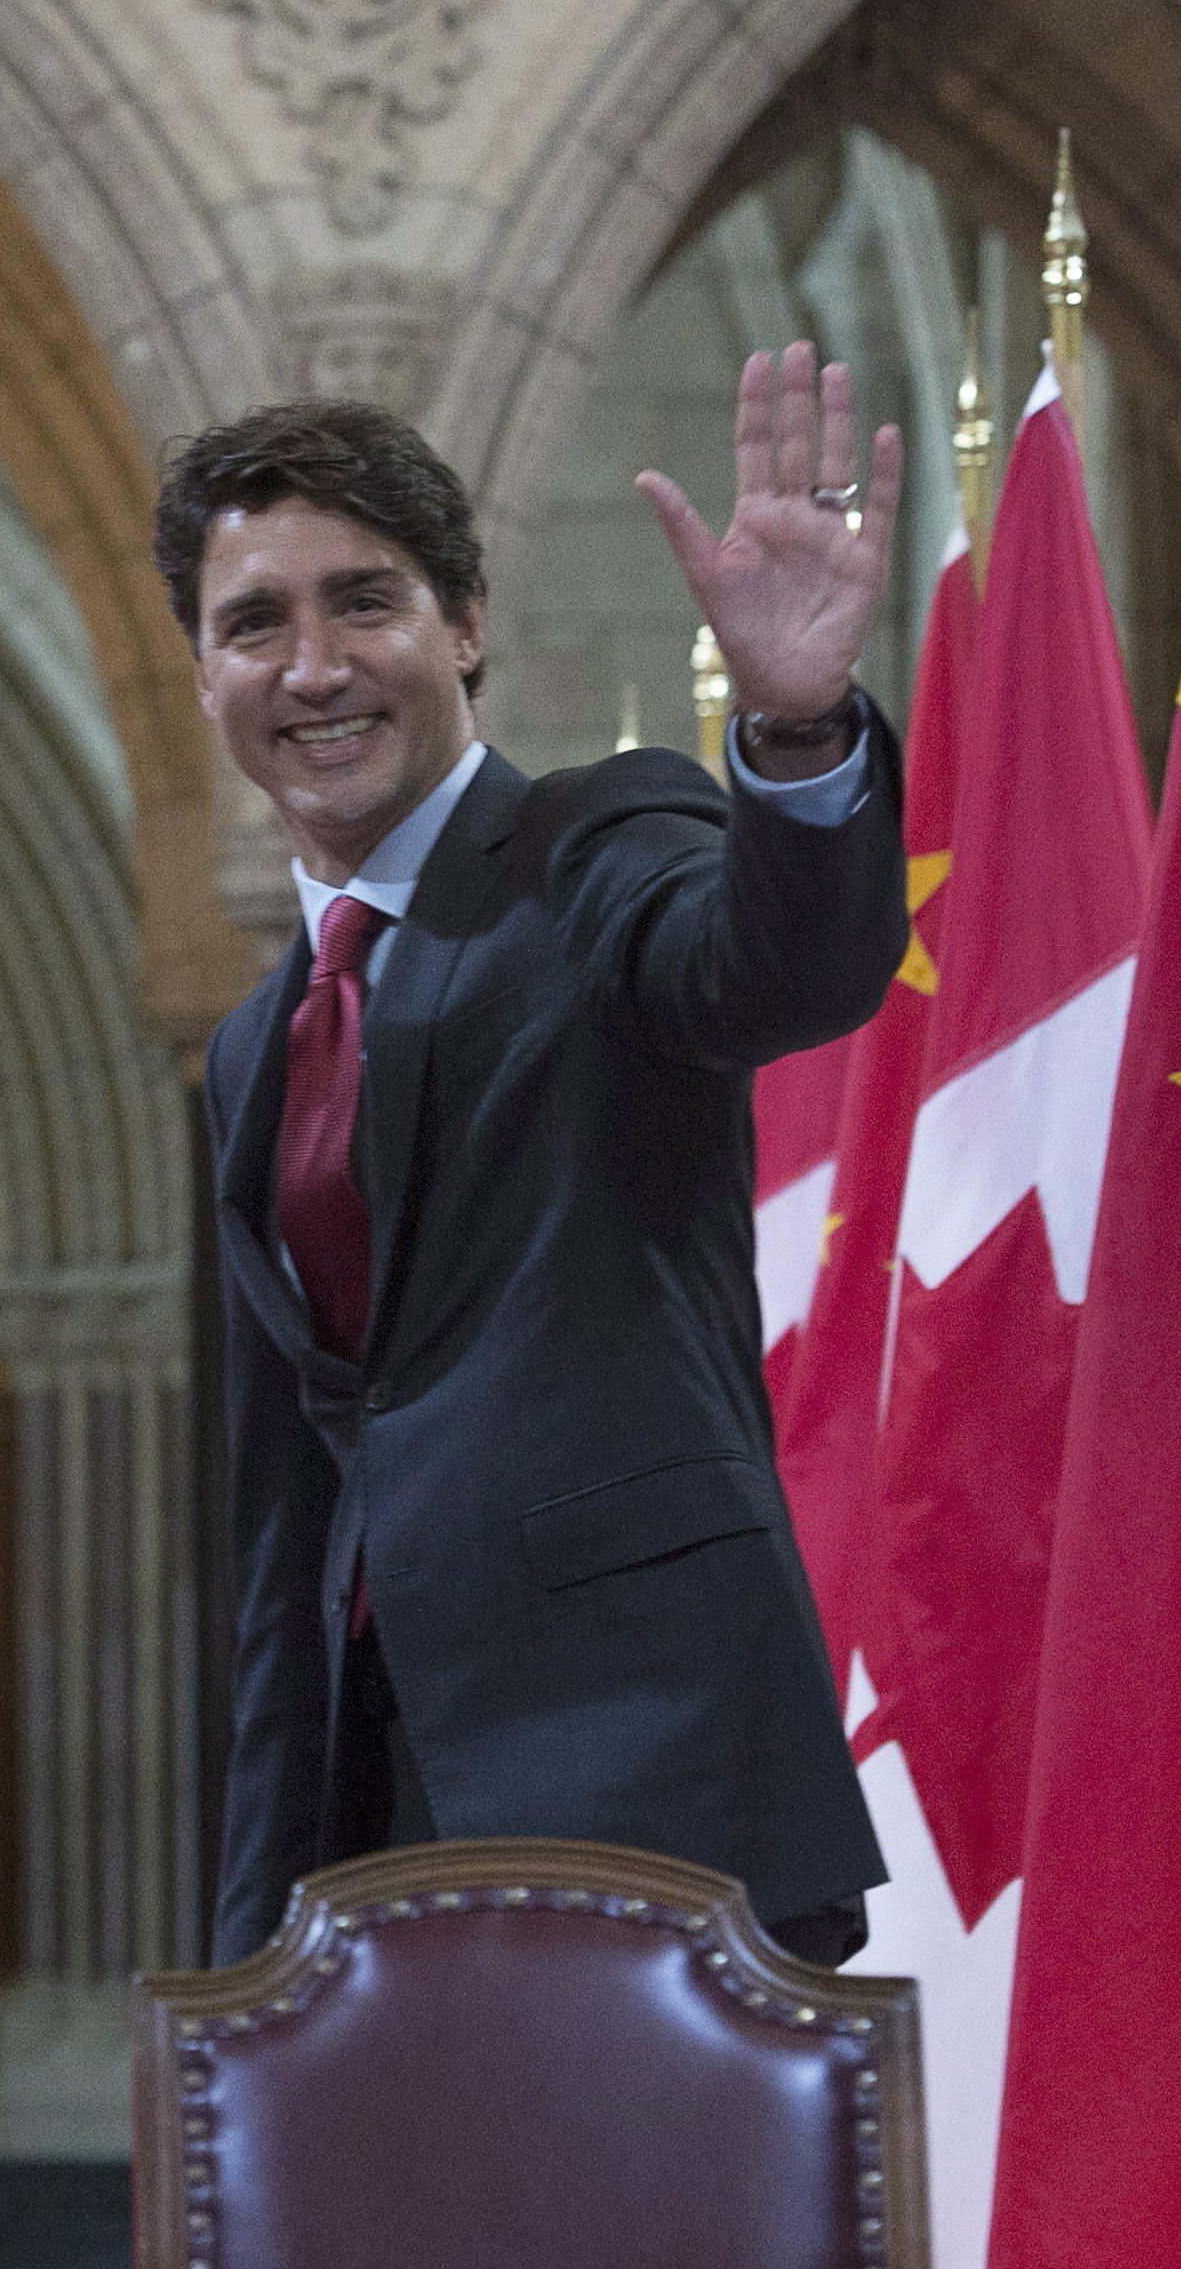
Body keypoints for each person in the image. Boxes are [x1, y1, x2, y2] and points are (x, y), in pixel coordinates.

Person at [182, 346, 907, 1973]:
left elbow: (780, 973)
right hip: (364, 1816)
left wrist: (798, 731)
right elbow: (286, 1516)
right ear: (203, 672)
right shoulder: (251, 1048)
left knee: (662, 2238)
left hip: (642, 1771)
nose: (314, 668)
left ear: (466, 625)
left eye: (364, 603)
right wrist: (241, 1956)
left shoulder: (595, 849)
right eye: (254, 624)